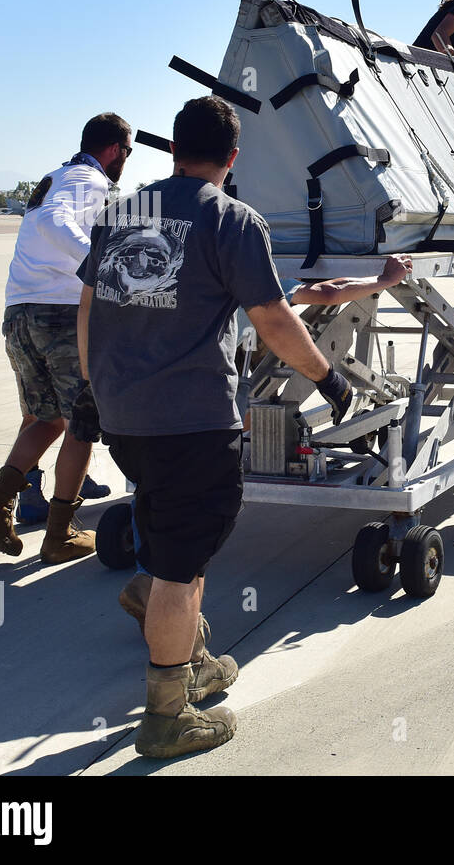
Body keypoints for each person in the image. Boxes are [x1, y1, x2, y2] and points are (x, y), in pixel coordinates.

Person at [79, 96, 357, 759]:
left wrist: (93, 388)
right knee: (181, 562)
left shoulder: (122, 213)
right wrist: (328, 377)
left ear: (173, 149)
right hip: (192, 423)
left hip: (126, 417)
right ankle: (168, 713)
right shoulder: (233, 220)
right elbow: (273, 319)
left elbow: (88, 302)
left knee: (176, 538)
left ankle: (185, 646)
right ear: (233, 158)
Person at [116, 254, 413, 634]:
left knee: (154, 484)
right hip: (202, 396)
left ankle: (147, 575)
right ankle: (169, 602)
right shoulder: (241, 273)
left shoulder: (162, 275)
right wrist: (383, 279)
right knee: (200, 503)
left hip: (138, 390)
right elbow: (328, 291)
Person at [0, 113, 132, 563]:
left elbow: (46, 223)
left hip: (20, 311)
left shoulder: (55, 176)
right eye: (127, 153)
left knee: (46, 419)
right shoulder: (88, 178)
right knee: (81, 423)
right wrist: (100, 266)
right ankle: (59, 535)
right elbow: (54, 224)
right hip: (58, 315)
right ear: (115, 150)